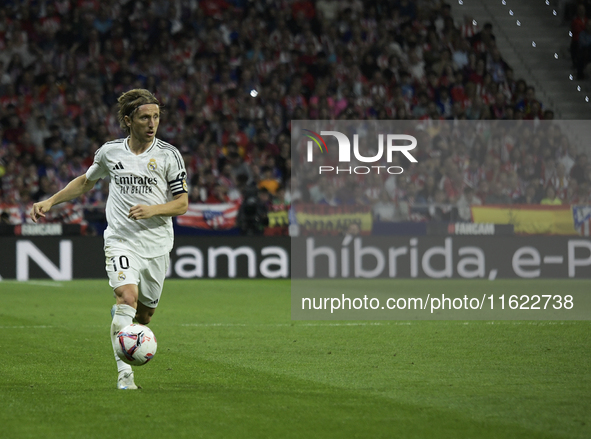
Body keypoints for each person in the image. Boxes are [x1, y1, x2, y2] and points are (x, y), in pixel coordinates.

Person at [29, 89, 188, 390]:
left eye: (156, 116)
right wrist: (51, 201)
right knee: (126, 297)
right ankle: (124, 375)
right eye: (144, 117)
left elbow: (181, 204)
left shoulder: (168, 155)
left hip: (156, 243)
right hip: (120, 239)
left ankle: (124, 318)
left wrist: (152, 209)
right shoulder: (110, 152)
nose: (152, 123)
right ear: (129, 120)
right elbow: (86, 182)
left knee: (145, 314)